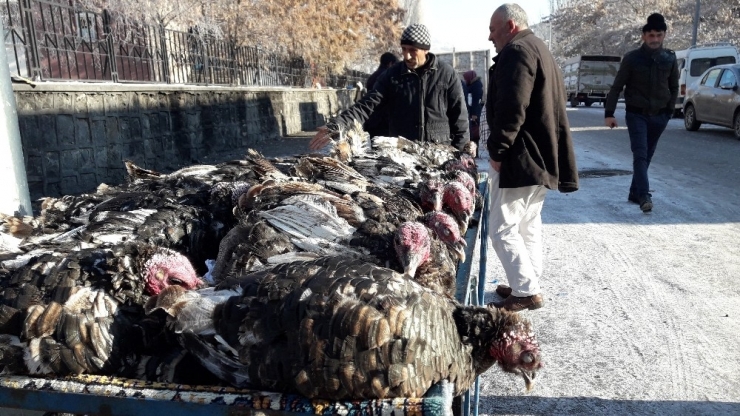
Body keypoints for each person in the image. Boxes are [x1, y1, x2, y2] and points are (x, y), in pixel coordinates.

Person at [485, 3, 579, 312]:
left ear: (510, 26)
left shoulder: (517, 51)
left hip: (520, 157)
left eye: (493, 30)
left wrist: (498, 150)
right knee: (528, 225)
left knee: (501, 228)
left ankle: (525, 290)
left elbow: (512, 107)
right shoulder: (540, 48)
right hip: (540, 157)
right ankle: (527, 281)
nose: (490, 37)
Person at [309, 24, 470, 153]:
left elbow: (459, 118)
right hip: (403, 154)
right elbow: (366, 106)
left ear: (425, 49)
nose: (406, 56)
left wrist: (461, 154)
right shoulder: (392, 75)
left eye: (413, 50)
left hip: (439, 153)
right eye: (404, 49)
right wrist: (336, 125)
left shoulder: (446, 74)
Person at [604, 13, 678, 213]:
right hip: (637, 115)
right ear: (644, 36)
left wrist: (669, 111)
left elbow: (674, 87)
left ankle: (634, 192)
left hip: (660, 116)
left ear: (664, 36)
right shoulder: (632, 59)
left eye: (659, 35)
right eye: (651, 35)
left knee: (648, 155)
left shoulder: (669, 58)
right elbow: (617, 87)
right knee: (640, 154)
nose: (655, 39)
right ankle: (644, 196)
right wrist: (609, 112)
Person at [364, 52, 398, 137]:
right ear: (390, 63)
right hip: (384, 123)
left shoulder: (372, 77)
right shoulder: (389, 78)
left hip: (371, 120)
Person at [463, 70, 484, 155]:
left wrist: (474, 114)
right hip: (472, 111)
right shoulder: (472, 84)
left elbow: (475, 100)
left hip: (474, 112)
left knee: (474, 131)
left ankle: (475, 152)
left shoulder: (476, 86)